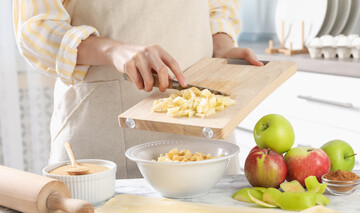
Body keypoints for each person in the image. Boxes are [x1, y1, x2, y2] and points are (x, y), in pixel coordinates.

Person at [14, 0, 263, 178]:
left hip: (206, 131)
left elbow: (220, 6)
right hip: (102, 130)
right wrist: (111, 50)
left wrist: (222, 44)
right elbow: (35, 28)